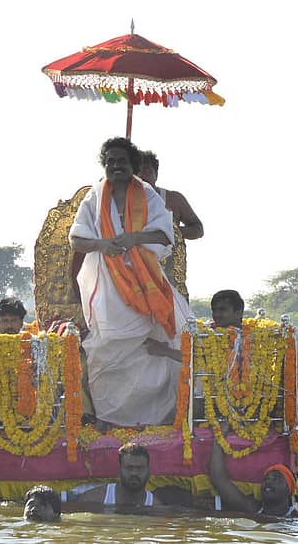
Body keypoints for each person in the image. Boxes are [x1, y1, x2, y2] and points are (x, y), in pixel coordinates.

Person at [69, 137, 191, 427]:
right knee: (106, 348)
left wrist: (135, 238)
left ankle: (157, 421)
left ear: (132, 165)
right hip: (107, 285)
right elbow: (76, 240)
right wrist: (102, 244)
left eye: (121, 161)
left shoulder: (148, 195)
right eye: (110, 161)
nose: (115, 166)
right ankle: (111, 421)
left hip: (146, 280)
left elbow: (165, 236)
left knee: (155, 346)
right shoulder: (94, 197)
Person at [139, 151, 203, 299]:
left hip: (169, 271)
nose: (142, 176)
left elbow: (198, 230)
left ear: (156, 174)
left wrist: (170, 231)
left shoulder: (173, 199)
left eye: (147, 170)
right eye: (138, 171)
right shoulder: (119, 201)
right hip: (135, 271)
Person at [208, 429, 298, 517]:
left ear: (288, 489)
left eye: (276, 479)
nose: (268, 482)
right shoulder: (251, 509)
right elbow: (218, 480)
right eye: (266, 479)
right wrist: (219, 436)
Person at [77, 443, 163, 506]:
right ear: (119, 470)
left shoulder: (155, 507)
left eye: (140, 468)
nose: (134, 473)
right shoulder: (93, 500)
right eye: (129, 468)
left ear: (149, 472)